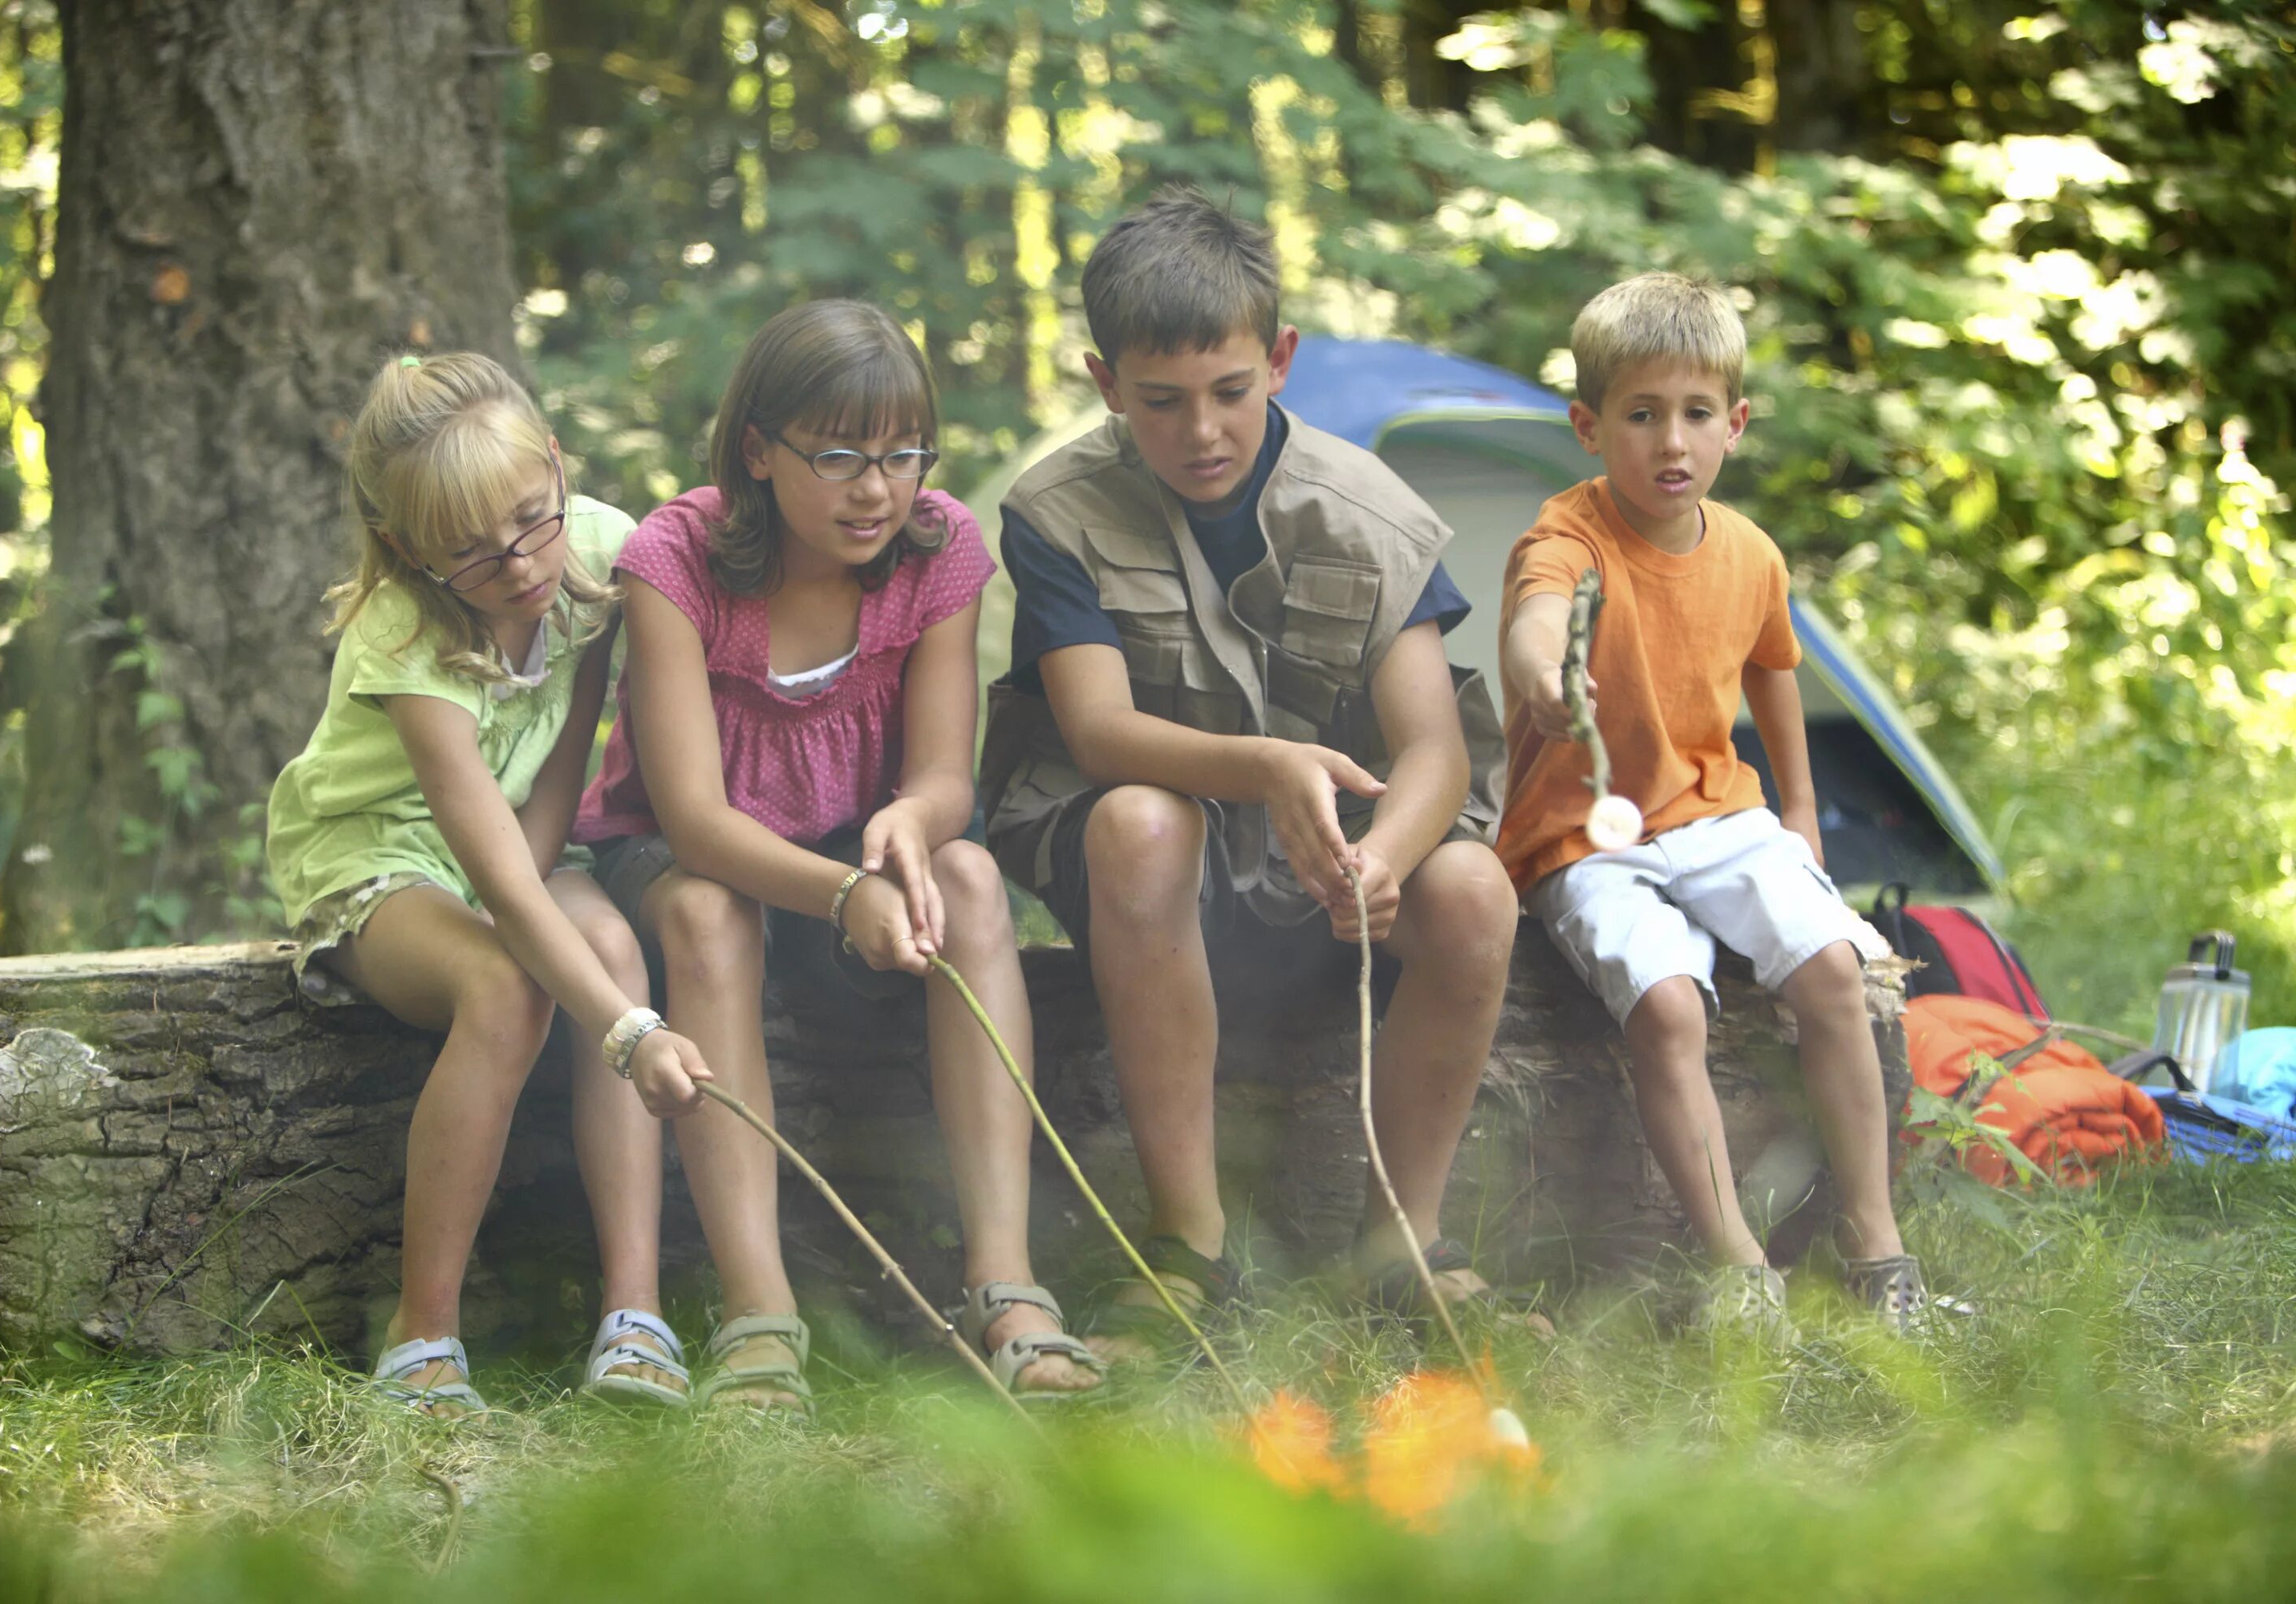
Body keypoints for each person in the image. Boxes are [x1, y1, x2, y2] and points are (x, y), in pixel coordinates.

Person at [982, 190, 1519, 1358]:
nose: (1202, 432)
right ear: (1105, 382)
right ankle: (1190, 1246)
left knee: (1477, 892)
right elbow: (1096, 731)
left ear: (1279, 362)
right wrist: (1269, 767)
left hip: (1324, 869)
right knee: (1140, 822)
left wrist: (1383, 860)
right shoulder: (1055, 511)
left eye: (1230, 391)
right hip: (1147, 872)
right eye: (1161, 401)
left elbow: (1433, 748)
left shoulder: (1372, 514)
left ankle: (1403, 1242)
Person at [574, 300, 1103, 1410]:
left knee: (968, 876)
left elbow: (945, 778)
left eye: (905, 454)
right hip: (683, 851)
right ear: (758, 452)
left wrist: (910, 826)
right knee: (709, 912)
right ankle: (760, 1310)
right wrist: (844, 890)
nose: (878, 490)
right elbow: (693, 818)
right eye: (841, 457)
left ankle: (1005, 1283)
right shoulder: (675, 560)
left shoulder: (937, 549)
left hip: (850, 846)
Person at [267, 353, 712, 1416]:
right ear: (406, 547)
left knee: (612, 951)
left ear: (556, 465)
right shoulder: (403, 633)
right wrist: (630, 1036)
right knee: (508, 988)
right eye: (470, 551)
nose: (518, 566)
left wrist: (595, 971)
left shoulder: (598, 551)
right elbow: (497, 891)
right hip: (379, 852)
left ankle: (635, 1316)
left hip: (521, 837)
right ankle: (421, 1337)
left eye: (529, 519)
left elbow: (563, 763)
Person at [1495, 272, 1923, 1339]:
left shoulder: (1750, 553)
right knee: (1671, 1006)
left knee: (1835, 971)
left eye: (1695, 414)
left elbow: (1775, 671)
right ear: (1590, 428)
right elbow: (1536, 619)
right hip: (1585, 837)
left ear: (1735, 425)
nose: (1671, 443)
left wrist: (1802, 813)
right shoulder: (1567, 536)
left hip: (1718, 815)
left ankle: (1875, 1243)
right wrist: (1544, 678)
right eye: (1642, 416)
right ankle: (1740, 1269)